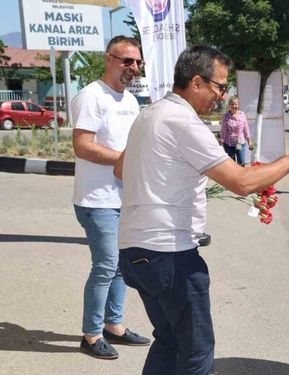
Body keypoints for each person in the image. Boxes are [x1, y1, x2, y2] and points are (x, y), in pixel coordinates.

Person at [114, 45, 289, 375]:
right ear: (196, 82)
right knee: (196, 353)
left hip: (135, 251)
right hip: (170, 254)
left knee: (169, 340)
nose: (222, 96)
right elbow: (240, 183)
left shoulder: (149, 114)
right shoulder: (184, 122)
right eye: (219, 86)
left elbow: (121, 169)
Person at [71, 35, 151, 360]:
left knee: (119, 267)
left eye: (137, 62)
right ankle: (90, 335)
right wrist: (123, 159)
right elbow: (82, 145)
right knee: (105, 266)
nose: (133, 67)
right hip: (95, 201)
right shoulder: (92, 97)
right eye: (126, 60)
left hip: (122, 199)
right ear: (109, 59)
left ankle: (113, 326)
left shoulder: (129, 101)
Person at [220, 96, 253, 166]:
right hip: (229, 144)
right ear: (229, 105)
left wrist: (249, 141)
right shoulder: (226, 116)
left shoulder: (242, 115)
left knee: (241, 163)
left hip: (240, 143)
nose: (234, 106)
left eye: (235, 104)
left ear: (238, 105)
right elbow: (223, 131)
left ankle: (242, 177)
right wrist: (221, 143)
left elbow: (246, 129)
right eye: (232, 104)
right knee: (231, 165)